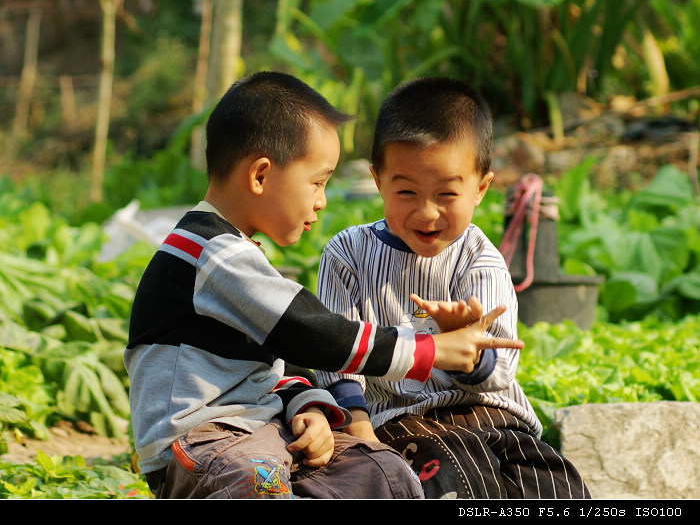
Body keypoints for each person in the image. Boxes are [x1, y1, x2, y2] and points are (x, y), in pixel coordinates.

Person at [124, 71, 517, 499]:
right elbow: (310, 332)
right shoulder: (210, 254)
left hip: (262, 433)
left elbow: (274, 364)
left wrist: (306, 407)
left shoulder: (237, 253)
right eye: (317, 181)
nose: (322, 200)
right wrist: (429, 350)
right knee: (260, 483)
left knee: (383, 470)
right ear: (260, 176)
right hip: (204, 443)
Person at [314, 77, 590, 499]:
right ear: (378, 181)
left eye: (446, 193)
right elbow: (338, 354)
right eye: (406, 191)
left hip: (496, 417)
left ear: (480, 188)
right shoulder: (347, 254)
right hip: (404, 421)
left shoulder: (479, 260)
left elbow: (501, 370)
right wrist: (359, 426)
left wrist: (471, 353)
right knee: (453, 482)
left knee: (556, 487)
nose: (427, 213)